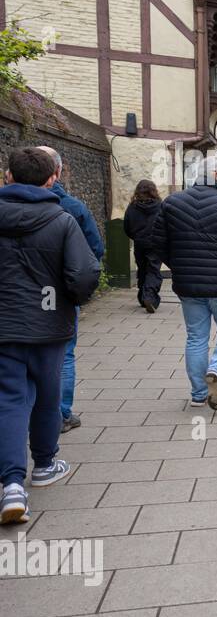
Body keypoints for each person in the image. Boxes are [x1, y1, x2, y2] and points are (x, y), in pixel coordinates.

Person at [0, 147, 100, 524]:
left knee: (9, 398)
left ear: (7, 176)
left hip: (4, 327)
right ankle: (44, 465)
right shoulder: (61, 220)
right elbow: (85, 274)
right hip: (48, 323)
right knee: (47, 393)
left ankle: (12, 485)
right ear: (52, 179)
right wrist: (70, 298)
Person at [150, 155, 217, 411]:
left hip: (188, 286)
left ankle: (199, 394)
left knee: (196, 337)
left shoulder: (172, 203)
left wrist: (179, 267)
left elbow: (158, 244)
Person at [38, 147, 104, 435]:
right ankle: (61, 414)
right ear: (58, 172)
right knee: (63, 355)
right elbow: (95, 252)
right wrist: (78, 291)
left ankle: (26, 413)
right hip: (60, 294)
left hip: (16, 299)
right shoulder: (73, 208)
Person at [124, 179, 163, 313]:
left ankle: (142, 297)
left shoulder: (132, 207)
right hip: (156, 243)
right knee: (153, 270)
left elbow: (127, 227)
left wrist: (136, 236)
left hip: (139, 243)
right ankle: (149, 297)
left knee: (142, 269)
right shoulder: (160, 206)